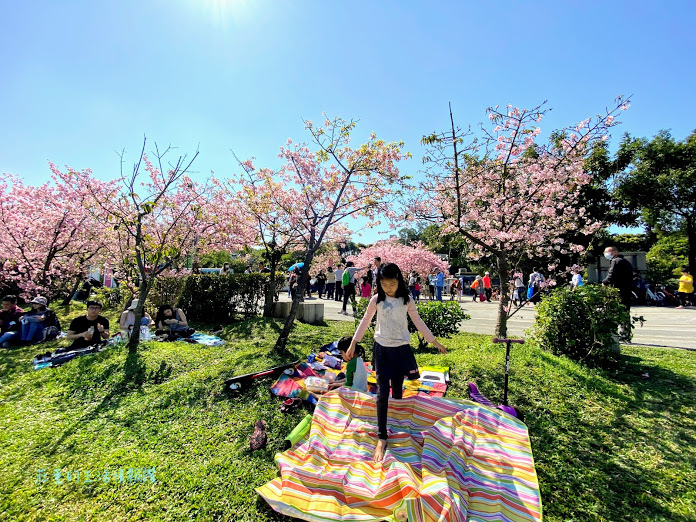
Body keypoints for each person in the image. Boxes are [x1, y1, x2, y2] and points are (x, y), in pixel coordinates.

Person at [347, 262, 447, 462]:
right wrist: (352, 344)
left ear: (398, 281)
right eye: (384, 284)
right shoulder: (376, 300)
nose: (388, 288)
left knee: (398, 387)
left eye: (392, 284)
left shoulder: (406, 300)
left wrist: (434, 341)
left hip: (401, 350)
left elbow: (418, 322)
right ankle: (382, 436)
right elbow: (365, 321)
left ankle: (398, 417)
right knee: (382, 393)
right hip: (382, 350)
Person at [602, 246, 634, 340]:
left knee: (617, 311)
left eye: (607, 252)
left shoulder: (615, 261)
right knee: (625, 312)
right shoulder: (626, 261)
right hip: (627, 290)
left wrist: (604, 282)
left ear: (615, 252)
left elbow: (611, 275)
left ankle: (618, 333)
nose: (606, 254)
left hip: (619, 290)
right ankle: (626, 333)